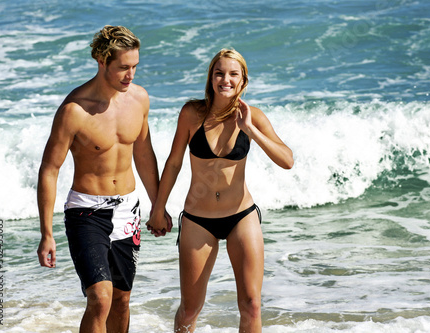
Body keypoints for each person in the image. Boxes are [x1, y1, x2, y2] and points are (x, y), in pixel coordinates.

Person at [146, 48, 294, 333]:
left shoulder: (253, 117)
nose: (225, 79)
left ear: (243, 81)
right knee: (190, 309)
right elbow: (174, 162)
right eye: (219, 73)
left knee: (251, 305)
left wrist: (250, 129)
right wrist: (158, 208)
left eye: (233, 74)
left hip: (241, 216)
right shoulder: (192, 113)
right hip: (198, 219)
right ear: (211, 77)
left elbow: (287, 160)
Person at [36, 25, 171, 333]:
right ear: (101, 61)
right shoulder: (74, 110)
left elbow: (144, 155)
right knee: (100, 297)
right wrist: (46, 233)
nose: (131, 75)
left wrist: (158, 205)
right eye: (123, 67)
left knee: (122, 299)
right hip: (86, 211)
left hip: (128, 209)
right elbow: (49, 170)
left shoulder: (139, 99)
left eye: (135, 66)